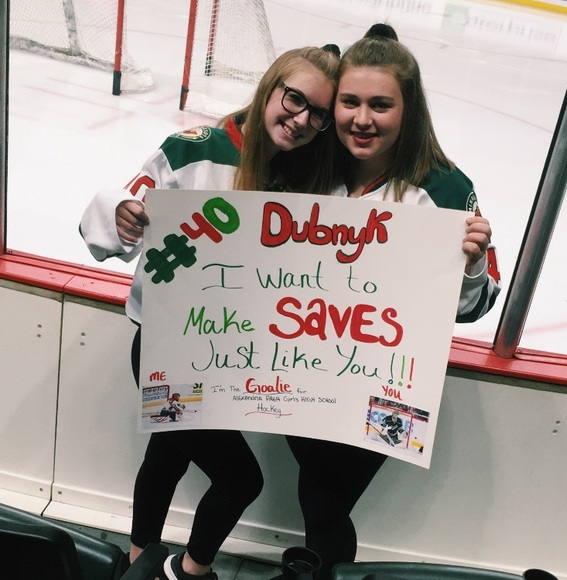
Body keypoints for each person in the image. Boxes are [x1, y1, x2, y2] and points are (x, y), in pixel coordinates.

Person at [80, 44, 341, 580]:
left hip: (231, 354)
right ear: (270, 87)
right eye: (295, 99)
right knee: (240, 479)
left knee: (167, 454)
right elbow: (118, 217)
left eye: (318, 114)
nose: (302, 120)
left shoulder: (311, 176)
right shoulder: (192, 151)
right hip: (167, 347)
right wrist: (122, 214)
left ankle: (140, 563)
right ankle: (187, 572)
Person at [285, 23, 501, 580]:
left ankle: (316, 572)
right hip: (302, 370)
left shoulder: (447, 189)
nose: (362, 119)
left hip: (384, 384)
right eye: (350, 102)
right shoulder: (309, 165)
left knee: (323, 499)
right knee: (318, 496)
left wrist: (472, 264)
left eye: (380, 105)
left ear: (409, 110)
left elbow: (474, 307)